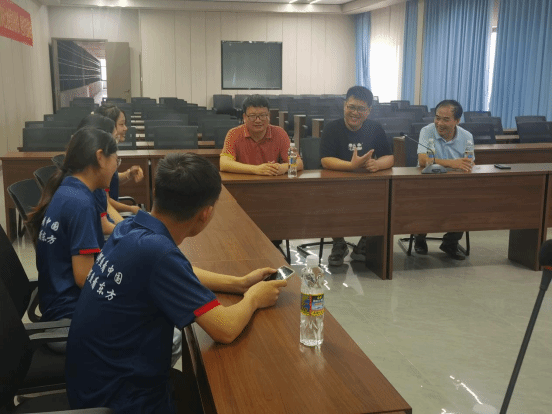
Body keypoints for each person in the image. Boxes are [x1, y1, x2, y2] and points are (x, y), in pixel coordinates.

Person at [65, 153, 287, 414]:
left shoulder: (131, 227)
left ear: (156, 192)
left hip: (91, 383)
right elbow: (225, 329)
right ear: (205, 214)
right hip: (121, 399)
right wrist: (254, 298)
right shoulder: (157, 253)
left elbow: (177, 270)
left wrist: (238, 283)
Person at [26, 127, 118, 351]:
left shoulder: (67, 190)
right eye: (116, 159)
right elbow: (84, 278)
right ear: (100, 157)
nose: (116, 167)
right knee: (160, 331)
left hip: (59, 309)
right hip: (69, 322)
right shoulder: (81, 204)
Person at [320, 86, 394, 266]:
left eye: (361, 109)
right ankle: (339, 243)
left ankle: (365, 242)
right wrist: (351, 166)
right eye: (351, 107)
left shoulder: (375, 128)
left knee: (384, 198)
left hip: (366, 184)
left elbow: (389, 157)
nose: (355, 112)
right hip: (336, 184)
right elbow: (325, 160)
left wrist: (378, 164)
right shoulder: (331, 128)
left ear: (368, 111)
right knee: (327, 201)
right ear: (344, 105)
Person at [415, 99, 473, 260]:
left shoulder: (467, 136)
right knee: (422, 200)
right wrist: (452, 163)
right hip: (427, 183)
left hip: (455, 185)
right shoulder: (427, 131)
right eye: (437, 118)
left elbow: (469, 162)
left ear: (457, 121)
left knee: (467, 200)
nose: (439, 123)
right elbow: (423, 160)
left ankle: (450, 243)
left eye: (445, 119)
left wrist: (464, 165)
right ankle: (419, 237)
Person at [219, 94, 304, 175]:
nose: (258, 120)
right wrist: (256, 169)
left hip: (271, 182)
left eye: (263, 115)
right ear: (244, 117)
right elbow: (224, 163)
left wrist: (283, 168)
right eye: (253, 116)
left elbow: (298, 163)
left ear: (269, 116)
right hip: (244, 182)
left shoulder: (280, 133)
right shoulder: (234, 134)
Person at [96, 103, 144, 220]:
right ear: (109, 128)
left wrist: (129, 174)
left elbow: (113, 178)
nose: (126, 128)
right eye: (121, 124)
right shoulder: (101, 158)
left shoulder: (107, 152)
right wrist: (131, 209)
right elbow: (106, 202)